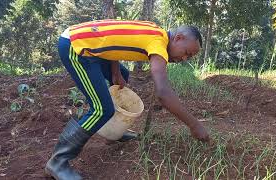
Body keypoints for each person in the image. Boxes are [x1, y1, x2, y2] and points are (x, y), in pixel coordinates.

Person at [45, 19, 210, 180]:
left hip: (90, 44)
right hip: (76, 47)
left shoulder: (155, 31)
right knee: (102, 109)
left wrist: (115, 70)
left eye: (189, 58)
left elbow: (112, 37)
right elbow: (163, 93)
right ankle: (58, 161)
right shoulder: (158, 43)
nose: (184, 59)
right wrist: (194, 125)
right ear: (178, 38)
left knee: (123, 75)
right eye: (187, 53)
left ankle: (113, 132)